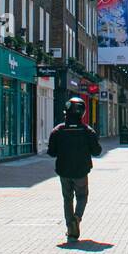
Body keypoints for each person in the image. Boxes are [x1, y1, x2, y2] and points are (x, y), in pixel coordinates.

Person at [46, 97, 102, 242]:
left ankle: (71, 229)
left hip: (64, 171)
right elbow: (97, 151)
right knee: (82, 196)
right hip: (81, 171)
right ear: (82, 112)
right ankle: (76, 219)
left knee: (67, 198)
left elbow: (51, 152)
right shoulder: (87, 131)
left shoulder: (58, 130)